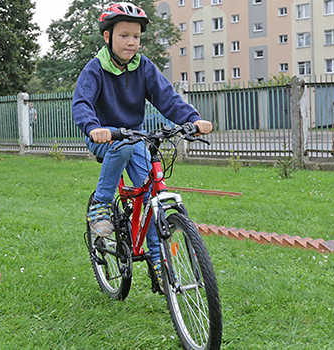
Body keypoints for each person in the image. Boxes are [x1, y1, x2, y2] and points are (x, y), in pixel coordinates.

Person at [72, 2, 213, 289]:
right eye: (124, 35)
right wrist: (93, 127)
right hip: (104, 136)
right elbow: (82, 103)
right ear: (107, 37)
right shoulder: (95, 68)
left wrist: (193, 119)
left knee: (150, 197)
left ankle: (158, 261)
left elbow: (167, 98)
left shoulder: (143, 67)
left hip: (134, 136)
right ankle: (100, 204)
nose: (131, 42)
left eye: (136, 36)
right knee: (121, 147)